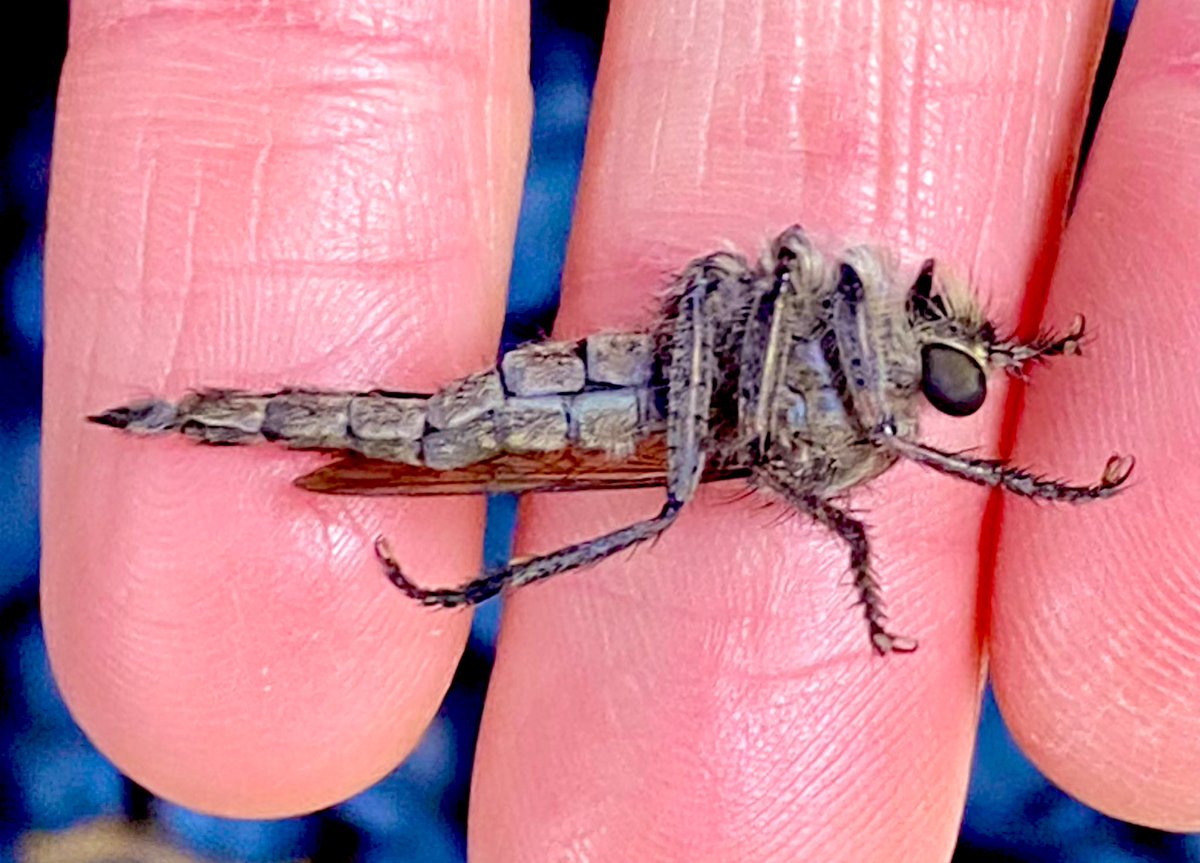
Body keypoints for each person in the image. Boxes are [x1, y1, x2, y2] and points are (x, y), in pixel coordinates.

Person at [41, 0, 1199, 858]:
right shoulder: (857, 340)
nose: (925, 334)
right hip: (645, 378)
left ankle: (241, 438)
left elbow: (816, 460)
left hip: (621, 411)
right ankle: (215, 421)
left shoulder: (859, 426)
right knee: (638, 463)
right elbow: (763, 274)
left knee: (604, 482)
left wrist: (933, 494)